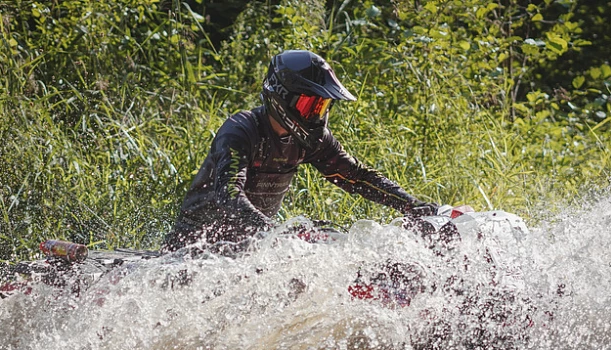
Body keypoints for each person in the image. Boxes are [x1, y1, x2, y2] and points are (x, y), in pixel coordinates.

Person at [162, 49, 440, 252]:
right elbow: (229, 194)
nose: (317, 115)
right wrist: (275, 232)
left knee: (326, 234)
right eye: (310, 106)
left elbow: (356, 176)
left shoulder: (311, 140)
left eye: (322, 107)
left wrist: (414, 206)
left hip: (249, 247)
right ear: (282, 98)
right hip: (193, 247)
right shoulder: (241, 130)